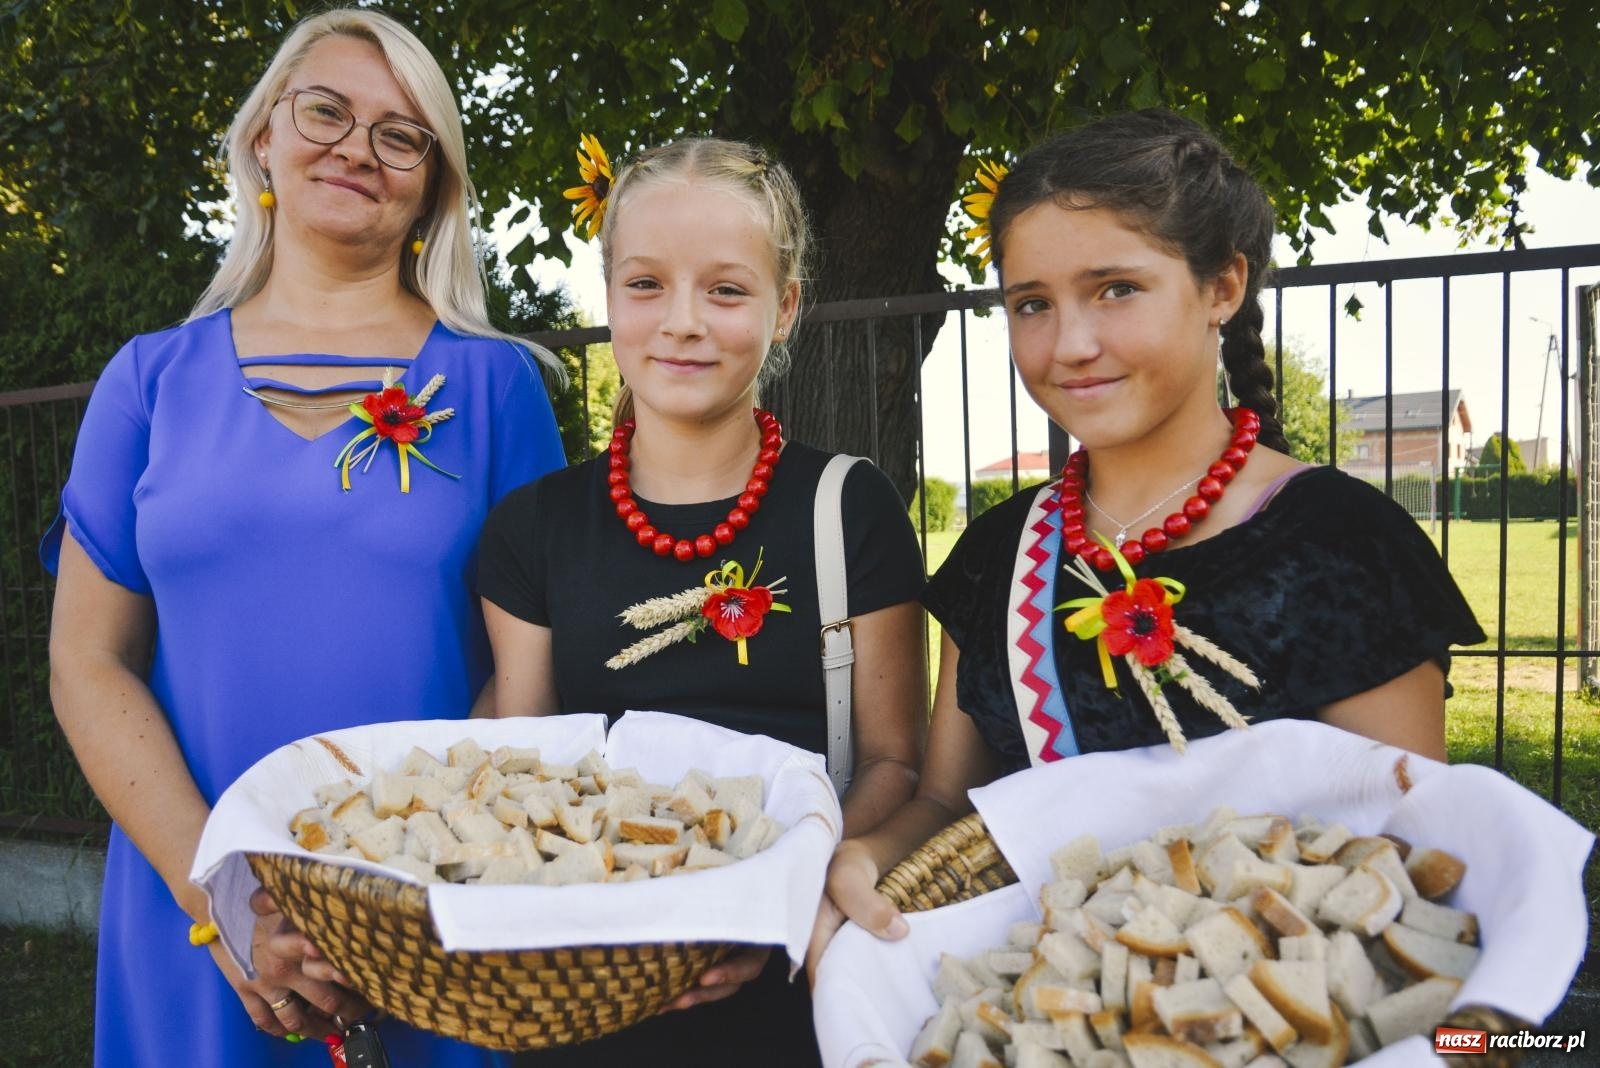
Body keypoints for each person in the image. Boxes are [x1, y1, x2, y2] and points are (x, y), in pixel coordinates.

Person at [812, 109, 1486, 956]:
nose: (1070, 344)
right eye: (1031, 304)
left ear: (1223, 287)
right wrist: (868, 855)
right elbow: (948, 807)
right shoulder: (997, 555)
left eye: (1117, 289)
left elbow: (1406, 857)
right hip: (1048, 999)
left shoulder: (1343, 545)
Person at [42, 9, 565, 1065]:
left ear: (433, 186)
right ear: (263, 138)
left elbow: (533, 672)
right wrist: (225, 894)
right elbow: (87, 662)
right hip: (189, 902)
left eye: (401, 135)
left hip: (429, 915)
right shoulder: (146, 380)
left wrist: (397, 897)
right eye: (325, 111)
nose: (357, 148)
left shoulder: (496, 385)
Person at [475, 137, 928, 1066]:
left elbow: (893, 761)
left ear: (785, 306)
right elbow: (521, 768)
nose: (682, 322)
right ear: (609, 295)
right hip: (587, 995)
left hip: (791, 984)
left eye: (725, 290)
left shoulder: (850, 509)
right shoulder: (535, 527)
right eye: (646, 284)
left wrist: (767, 890)